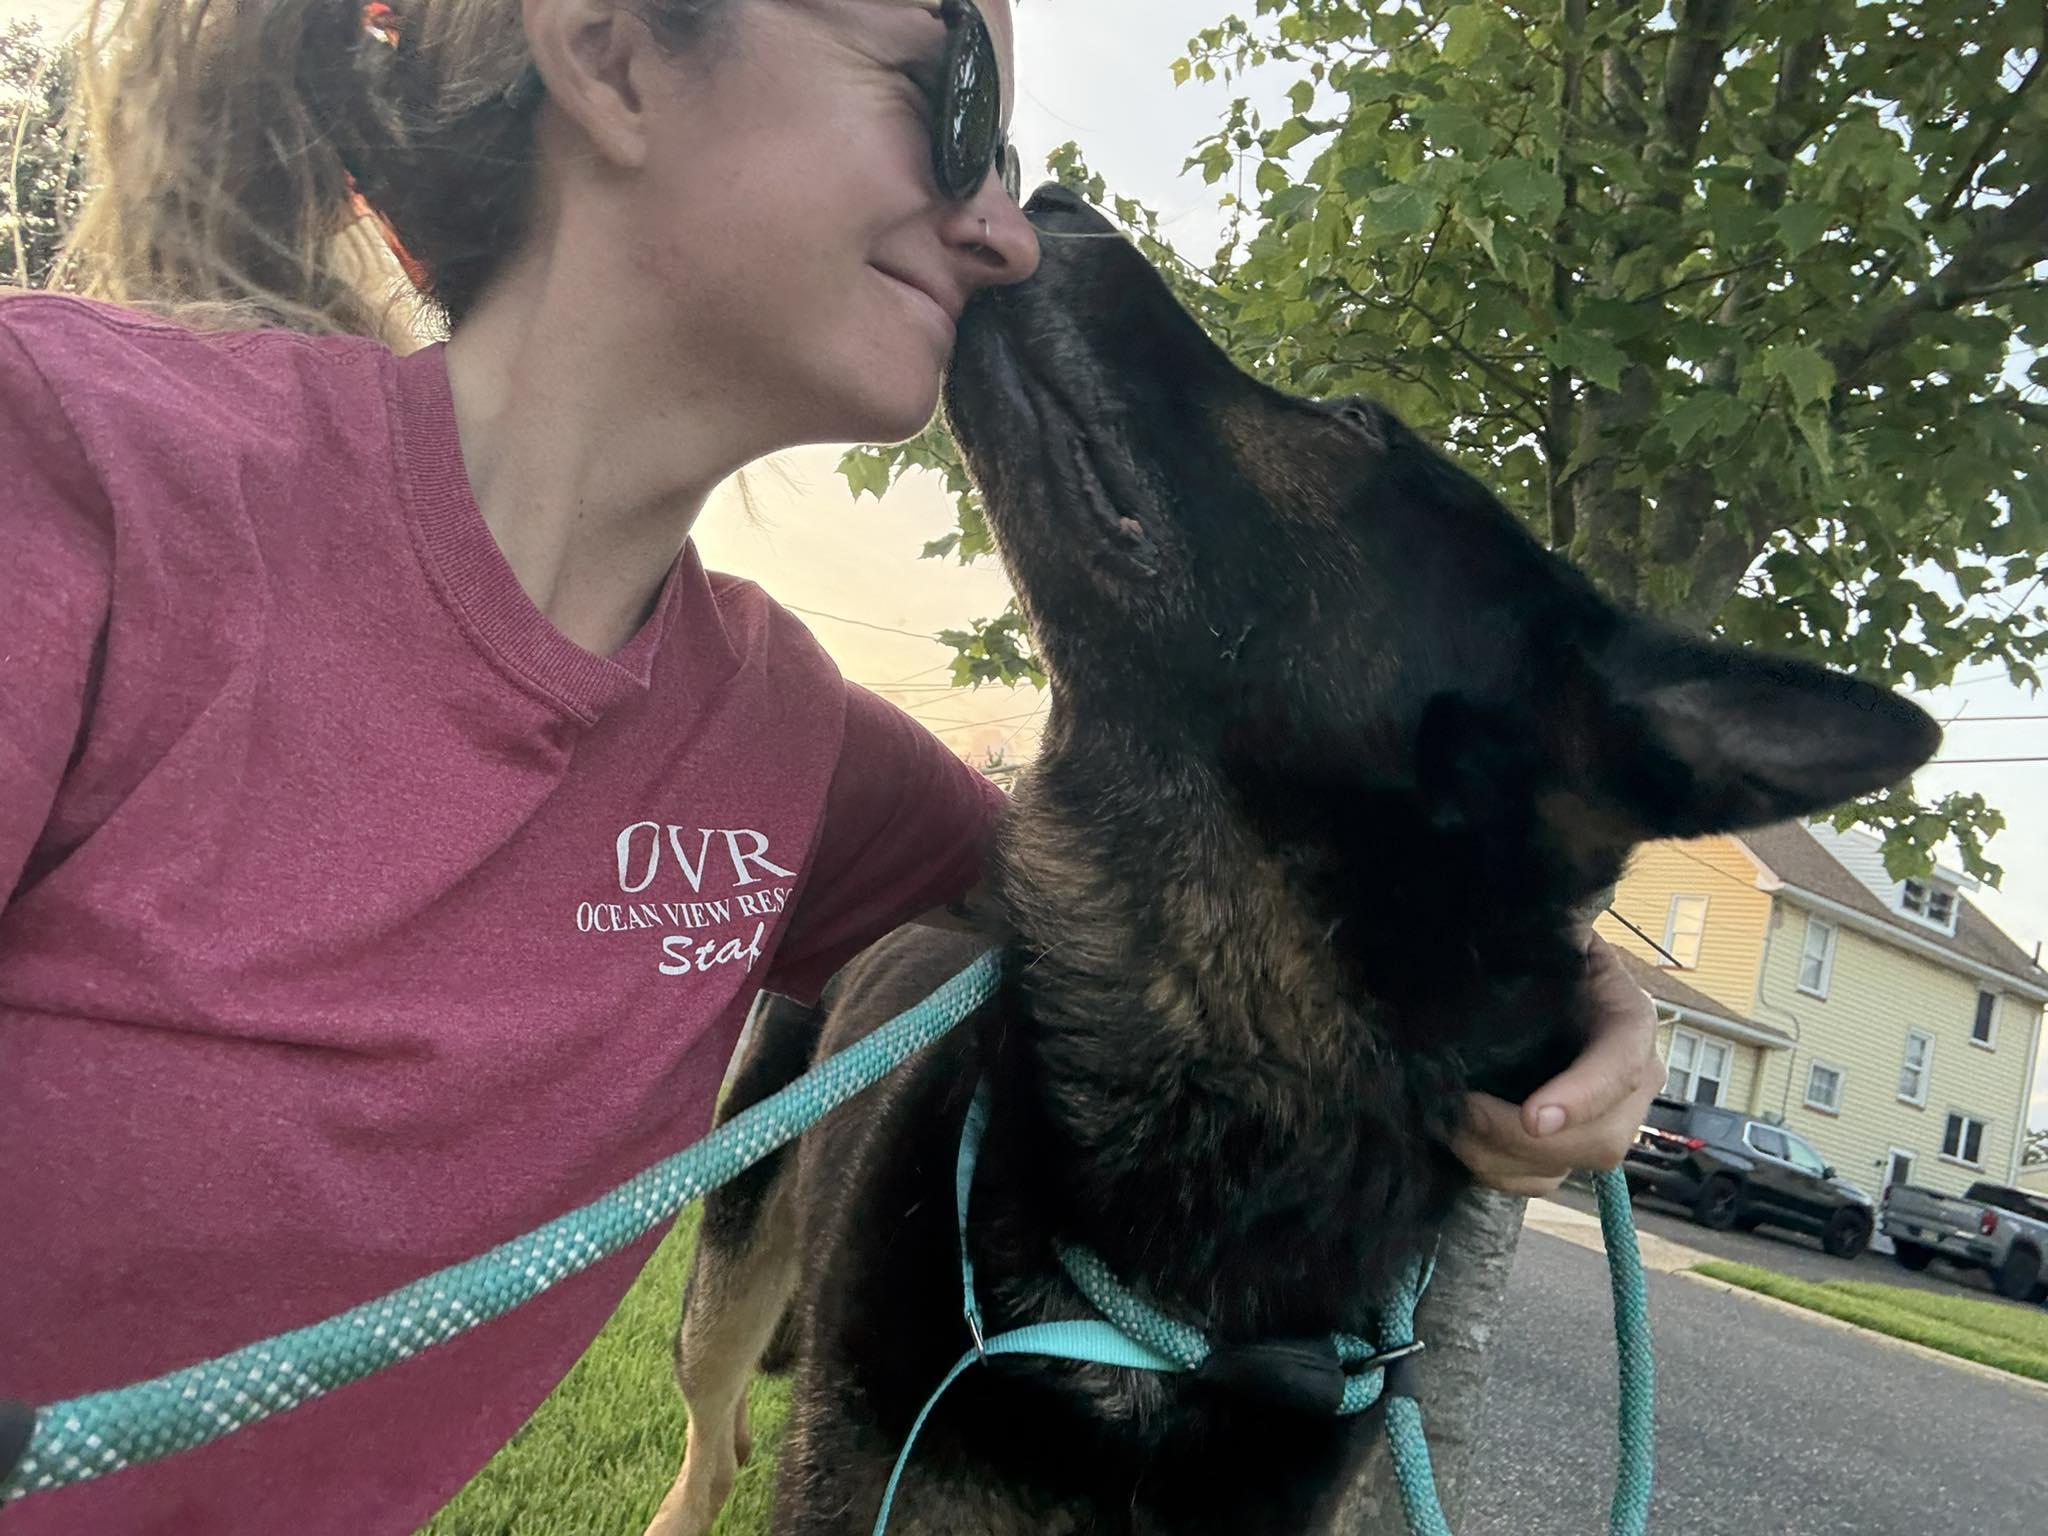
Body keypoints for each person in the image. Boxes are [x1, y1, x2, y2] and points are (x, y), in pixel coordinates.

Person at [0, 1, 1662, 1531]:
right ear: (616, 54)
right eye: (949, 103)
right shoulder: (68, 476)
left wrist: (1563, 1006)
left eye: (1009, 158)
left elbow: (1244, 914)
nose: (1007, 230)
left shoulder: (781, 747)